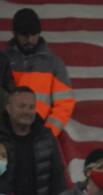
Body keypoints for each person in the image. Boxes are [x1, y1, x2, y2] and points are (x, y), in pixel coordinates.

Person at [0, 85, 66, 195]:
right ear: (8, 108)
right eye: (22, 106)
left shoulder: (47, 137)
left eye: (31, 107)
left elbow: (58, 180)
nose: (27, 111)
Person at [6, 8, 74, 137]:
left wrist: (47, 134)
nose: (29, 39)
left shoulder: (54, 64)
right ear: (14, 33)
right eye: (24, 35)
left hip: (38, 134)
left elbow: (64, 104)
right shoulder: (3, 61)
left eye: (34, 34)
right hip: (4, 135)